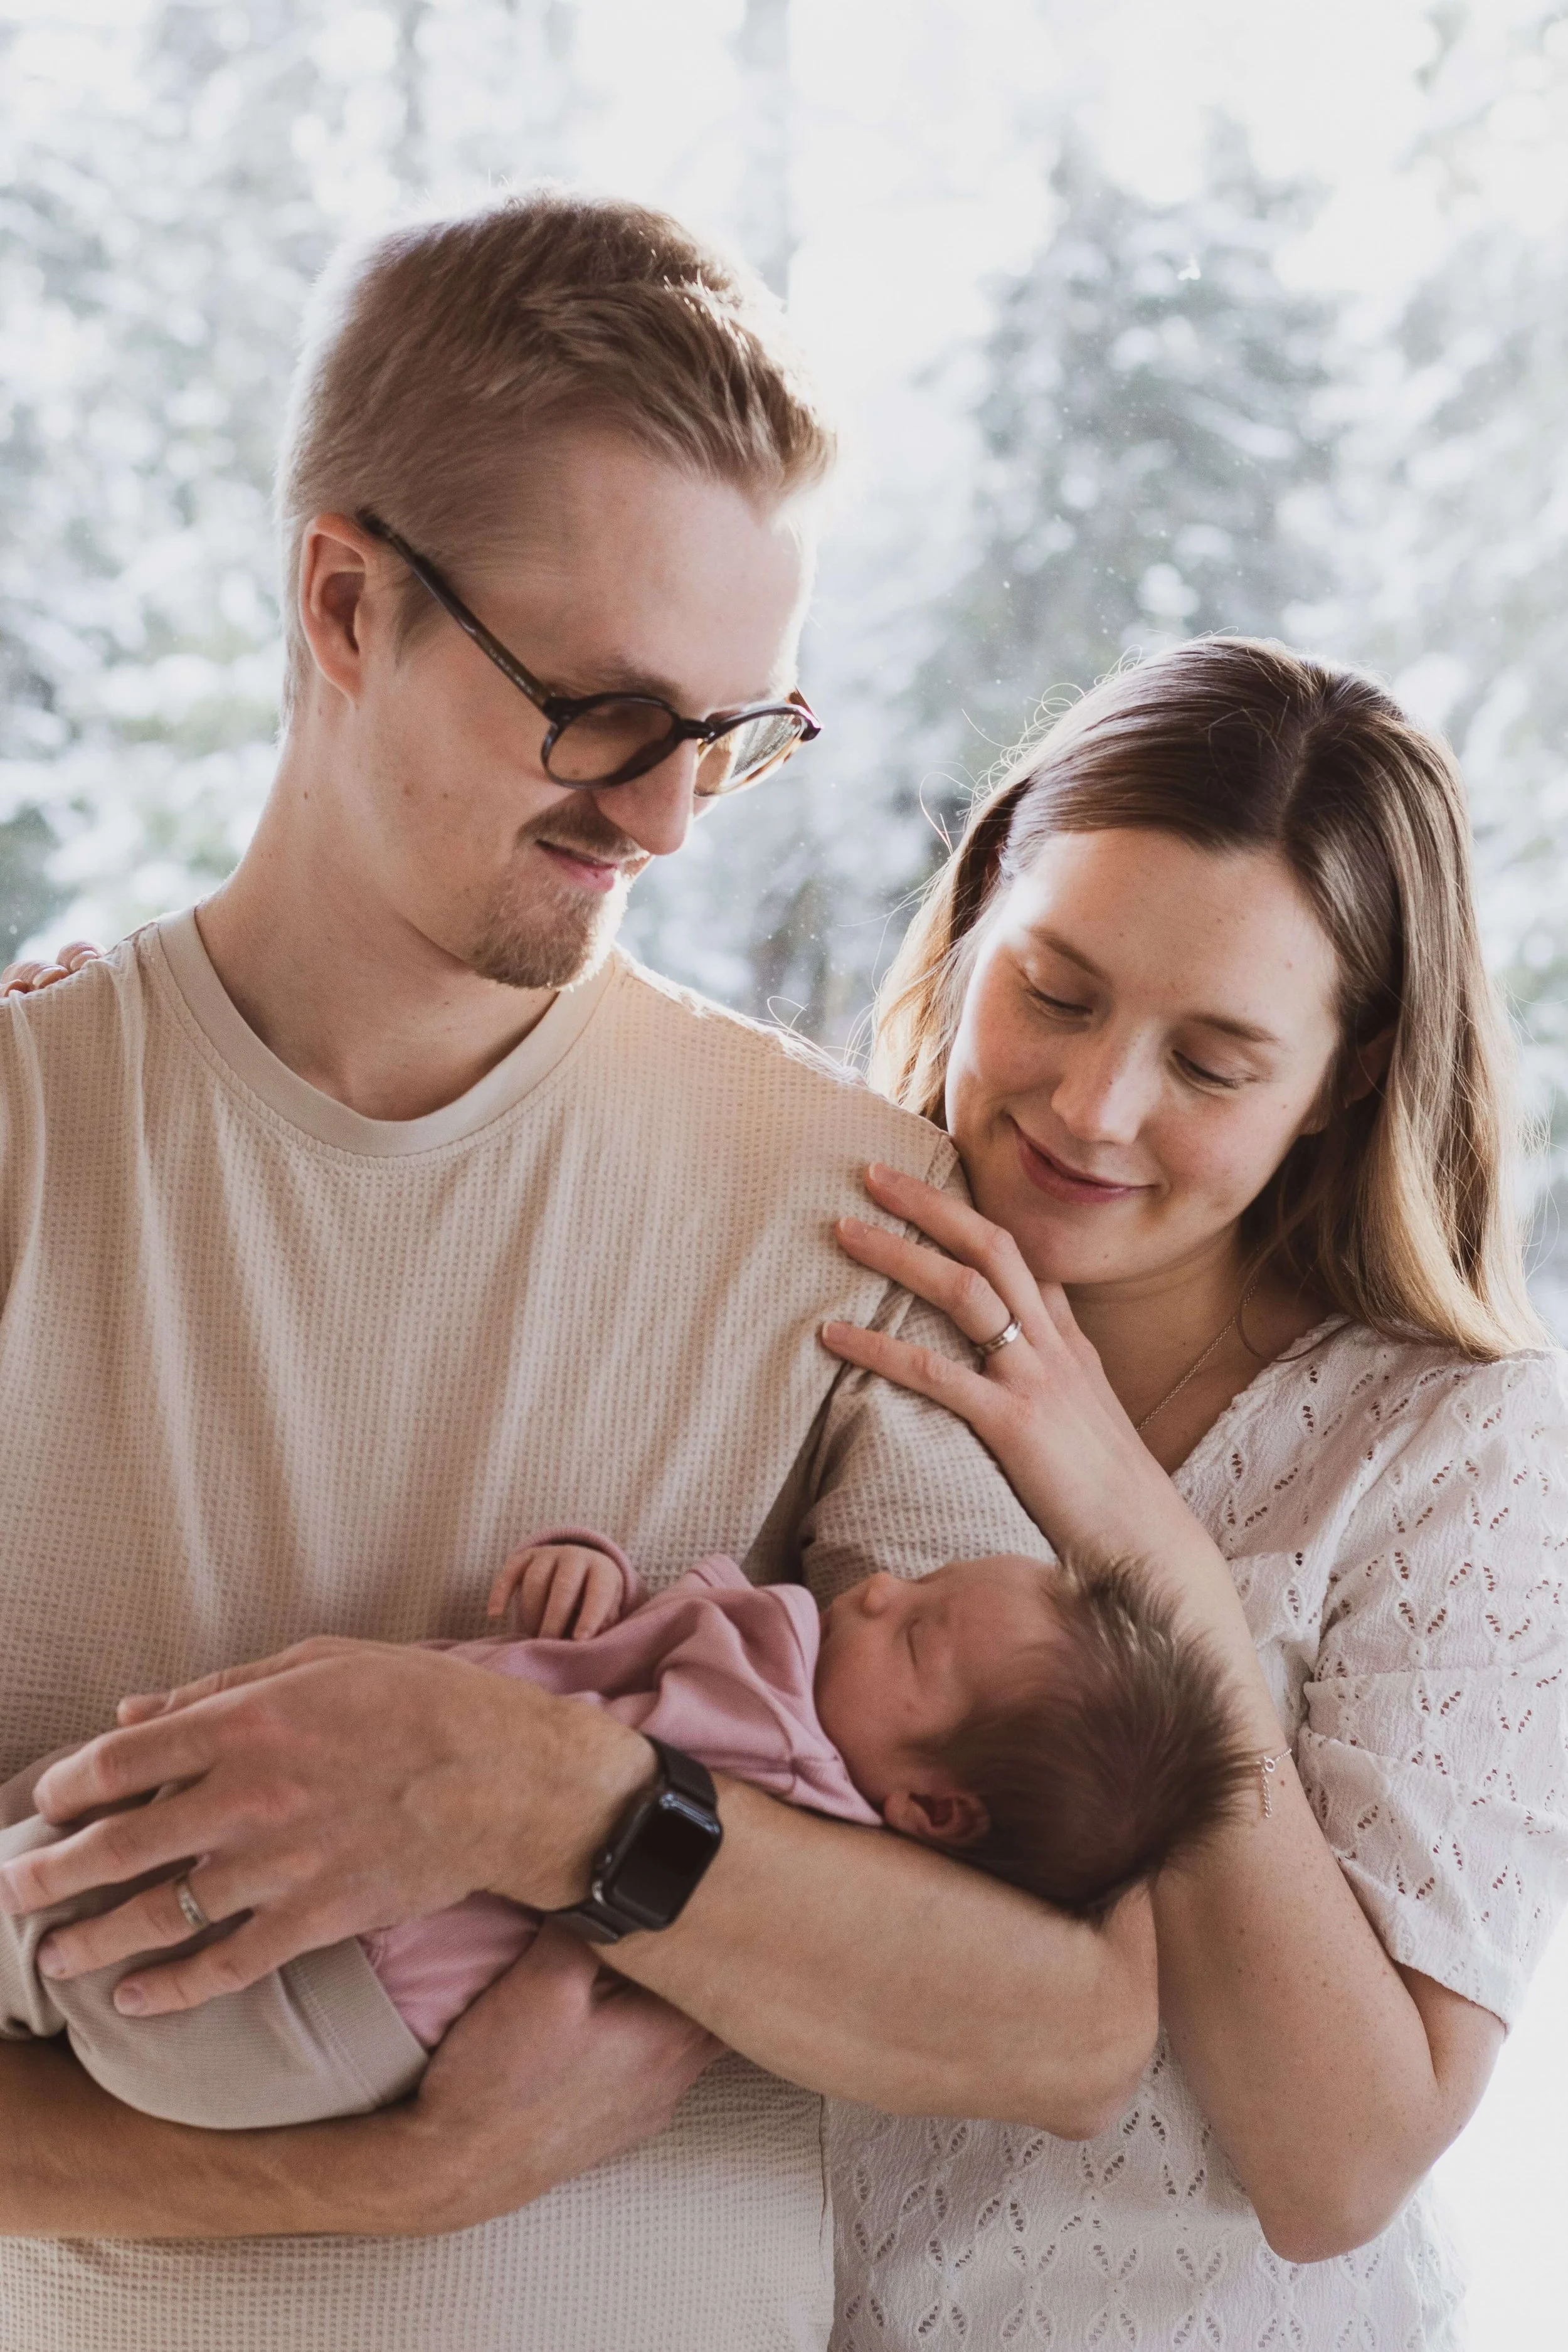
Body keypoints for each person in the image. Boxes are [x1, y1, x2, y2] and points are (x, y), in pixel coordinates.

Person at [0, 189, 1160, 2352]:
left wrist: (538, 1790)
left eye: (734, 730)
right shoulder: (25, 1150)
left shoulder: (861, 1206)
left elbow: (1059, 2029)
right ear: (344, 601)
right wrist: (399, 2179)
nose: (669, 822)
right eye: (603, 713)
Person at [814, 638, 1568, 2348]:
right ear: (982, 902)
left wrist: (1147, 1554)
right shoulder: (835, 1276)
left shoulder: (1461, 1451)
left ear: (1348, 1074)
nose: (1092, 1106)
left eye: (1214, 1061)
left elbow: (1337, 2168)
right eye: (1053, 991)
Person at [0, 1533, 1247, 2129]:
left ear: (933, 1810)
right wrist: (594, 1576)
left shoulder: (784, 1761)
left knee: (67, 1889)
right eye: (918, 1584)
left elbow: (661, 1678)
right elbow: (612, 1664)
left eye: (915, 1631)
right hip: (322, 2024)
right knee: (67, 1835)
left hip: (318, 1983)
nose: (875, 1587)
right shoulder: (805, 1820)